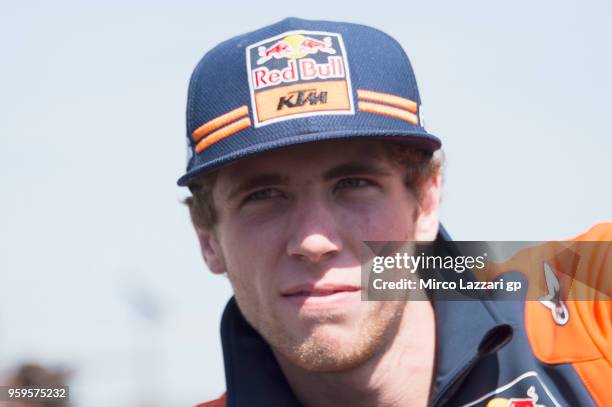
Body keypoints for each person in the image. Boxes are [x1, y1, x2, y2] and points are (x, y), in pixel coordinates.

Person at [178, 18, 611, 407]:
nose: (313, 240)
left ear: (425, 202)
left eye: (353, 185)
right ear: (208, 238)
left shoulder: (589, 295)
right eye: (264, 195)